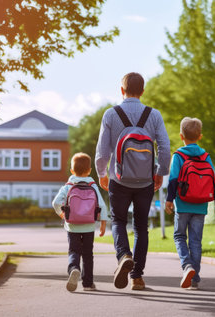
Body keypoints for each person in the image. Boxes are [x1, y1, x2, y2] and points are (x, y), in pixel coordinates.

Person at [95, 72, 170, 290]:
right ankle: (137, 277)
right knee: (141, 227)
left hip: (118, 179)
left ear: (122, 90)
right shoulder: (154, 115)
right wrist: (160, 172)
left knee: (118, 221)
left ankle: (124, 256)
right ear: (143, 91)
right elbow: (164, 148)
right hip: (145, 180)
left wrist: (102, 173)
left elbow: (102, 149)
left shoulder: (110, 114)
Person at [165, 117, 215, 290]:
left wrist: (169, 200)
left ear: (181, 136)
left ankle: (187, 266)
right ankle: (195, 279)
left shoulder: (178, 155)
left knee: (179, 236)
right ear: (200, 136)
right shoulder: (205, 156)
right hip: (201, 206)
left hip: (183, 204)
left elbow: (173, 180)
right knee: (196, 242)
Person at [52, 152, 109, 292]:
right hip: (89, 225)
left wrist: (62, 214)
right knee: (88, 255)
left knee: (74, 251)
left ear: (72, 171)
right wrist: (103, 223)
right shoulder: (93, 185)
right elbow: (102, 205)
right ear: (89, 170)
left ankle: (74, 268)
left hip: (72, 226)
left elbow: (55, 202)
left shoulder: (68, 186)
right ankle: (88, 283)